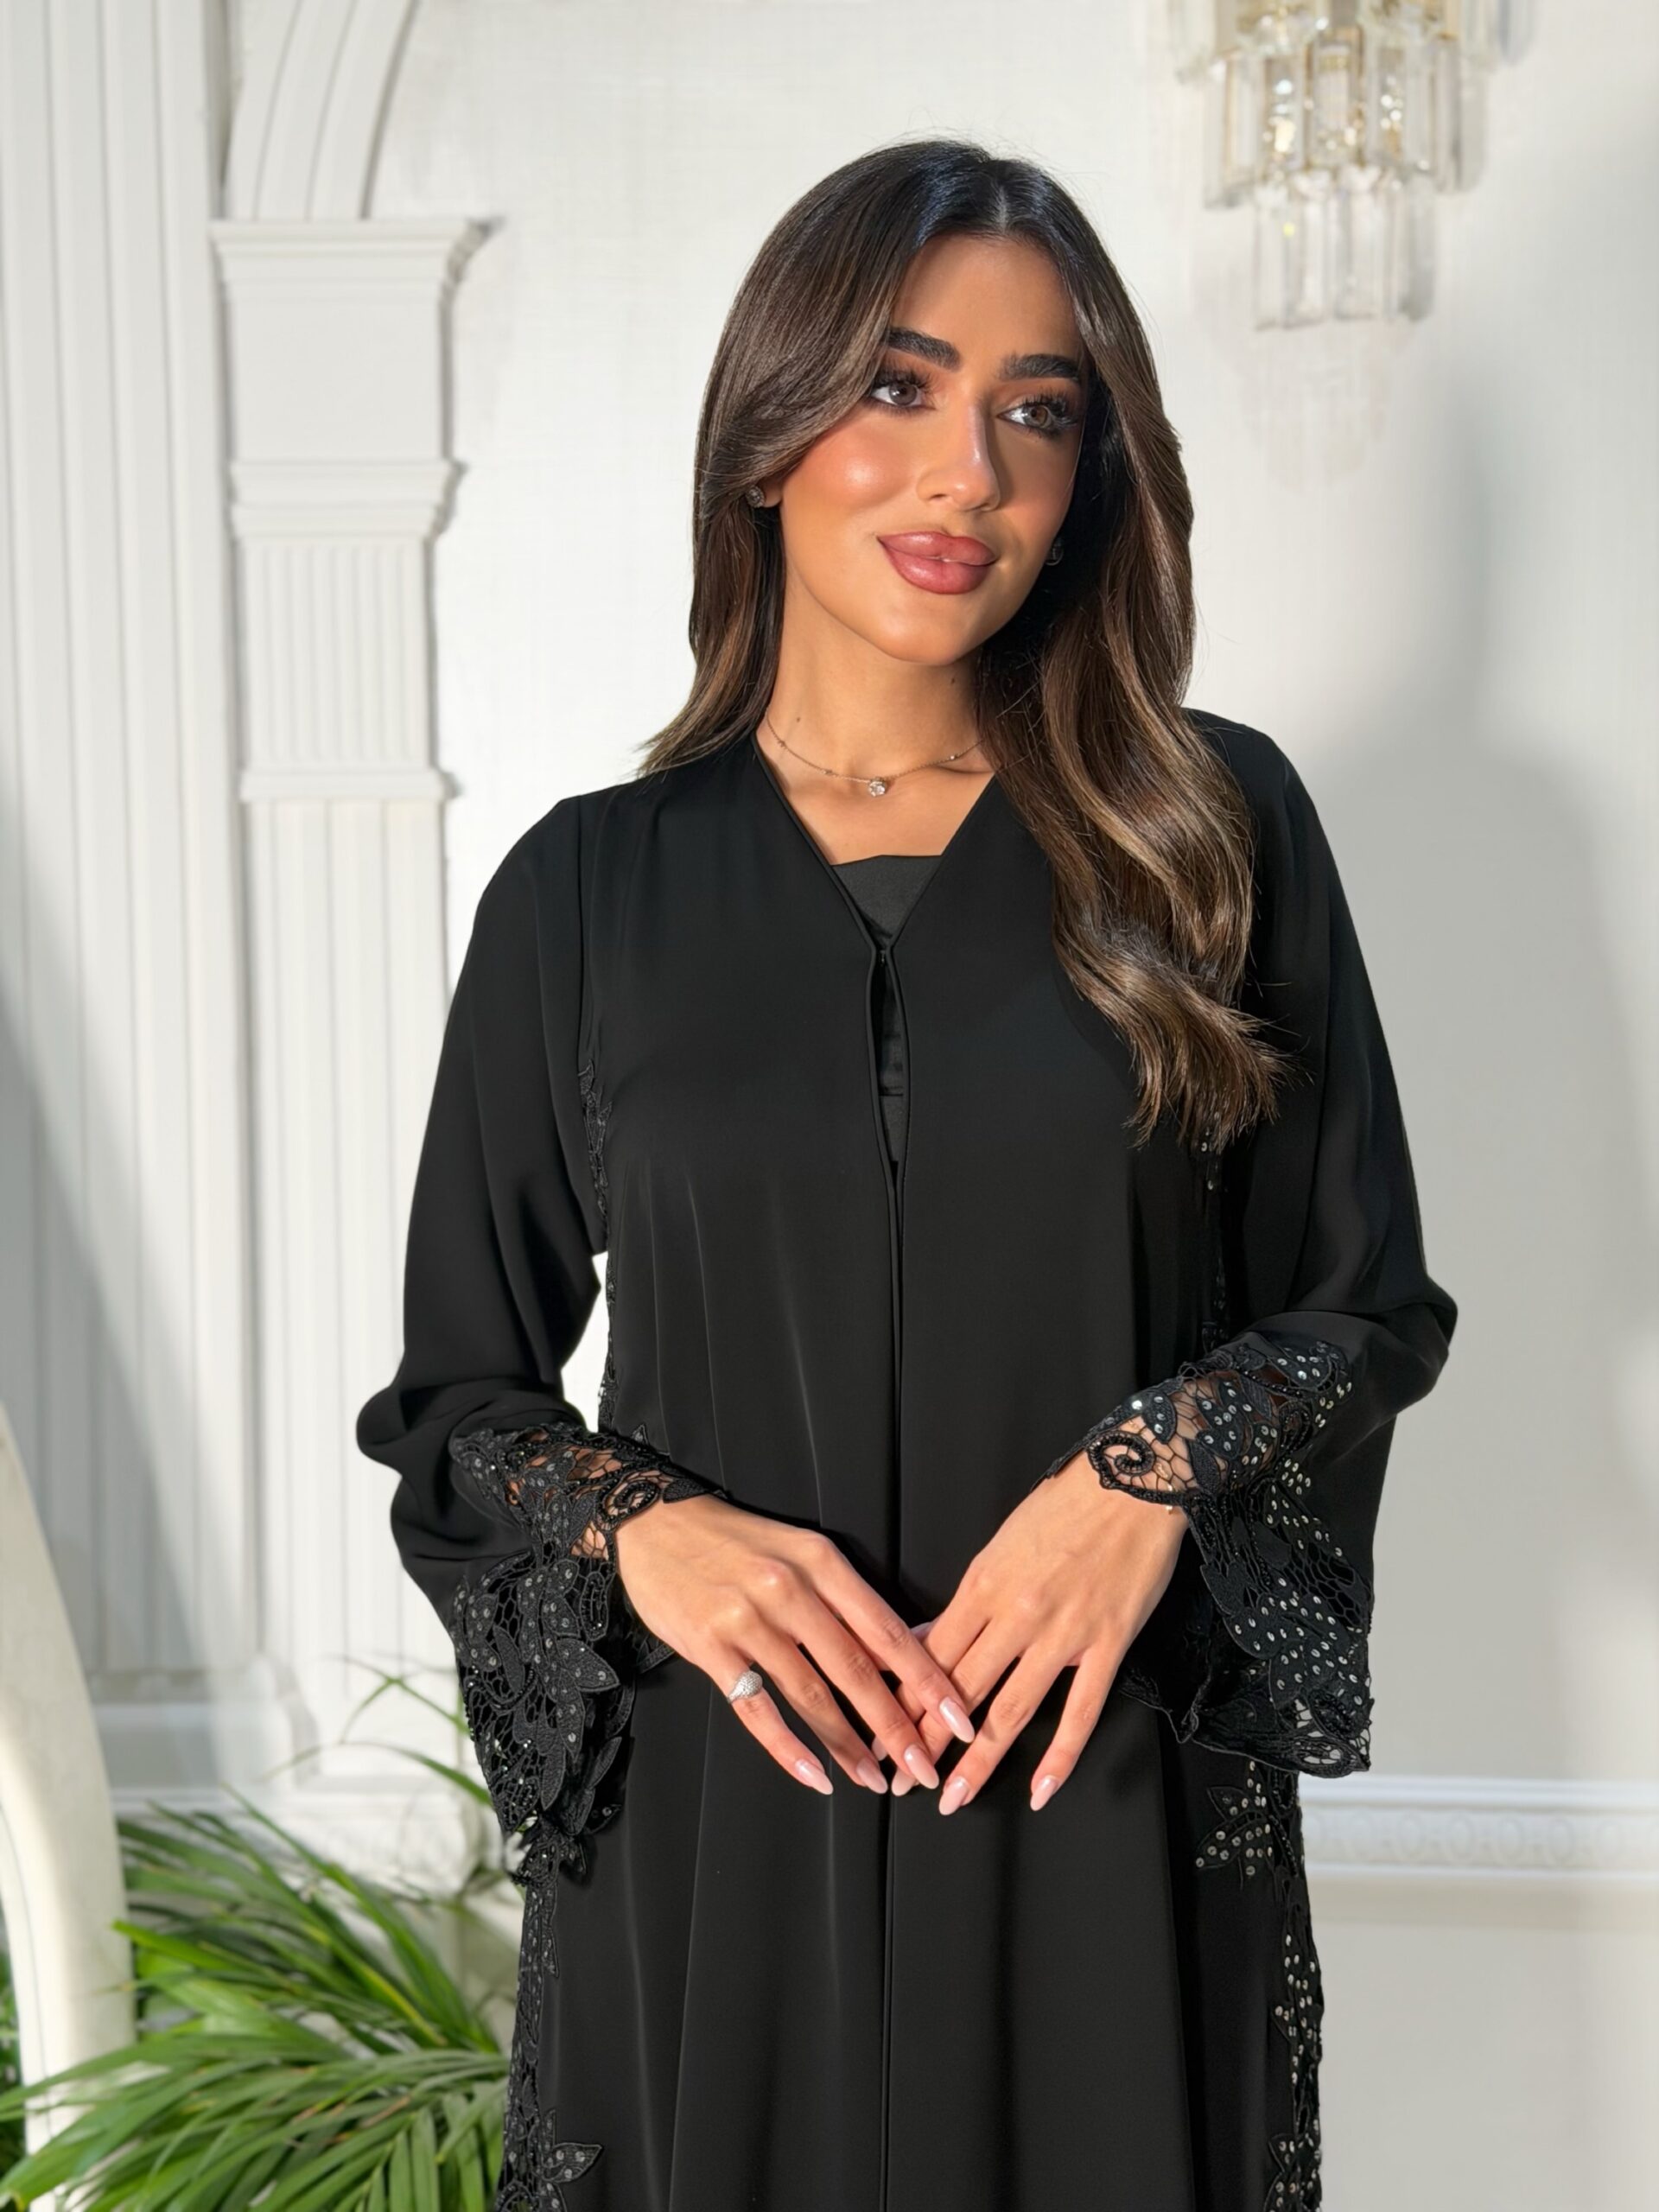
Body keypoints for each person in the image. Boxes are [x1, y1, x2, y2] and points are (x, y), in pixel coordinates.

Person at [355, 137, 1458, 2212]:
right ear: (770, 428)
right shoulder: (587, 895)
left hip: (1100, 1787)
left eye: (1040, 410)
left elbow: (1366, 1303)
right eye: (900, 384)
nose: (972, 471)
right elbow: (455, 1397)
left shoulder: (1207, 832)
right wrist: (652, 1532)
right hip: (722, 1823)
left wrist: (1146, 1477)